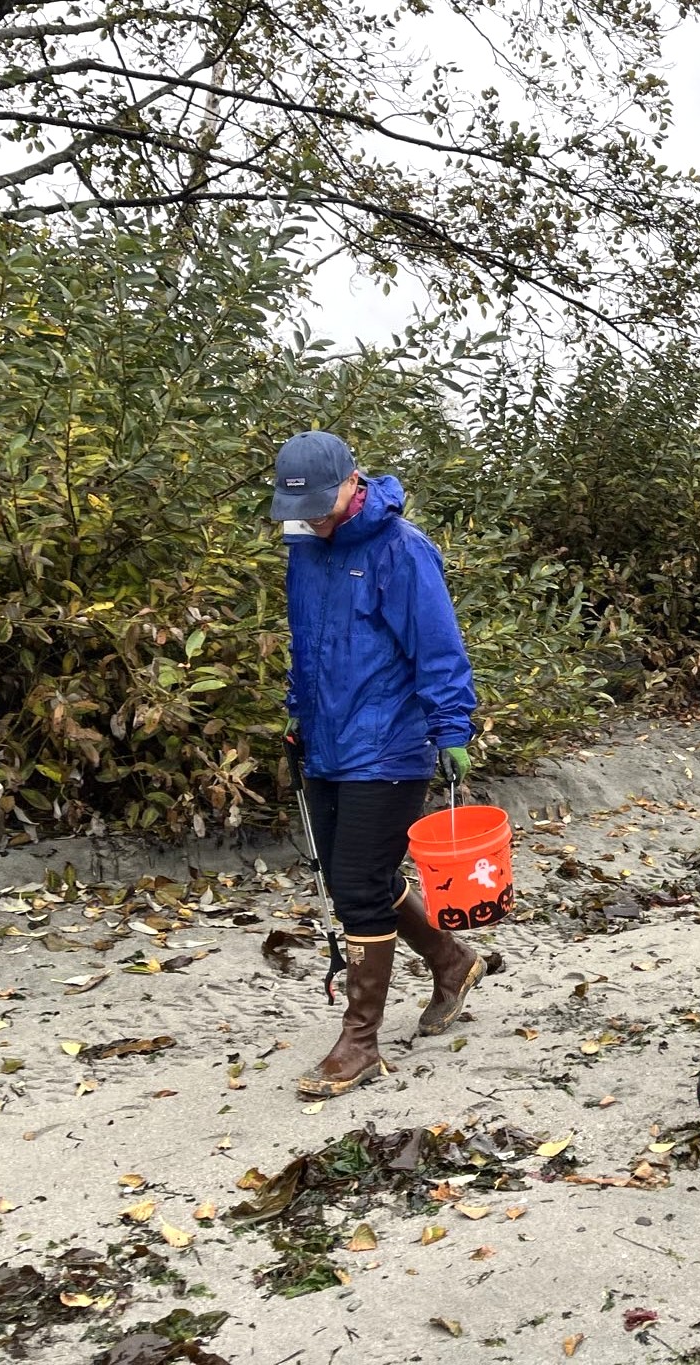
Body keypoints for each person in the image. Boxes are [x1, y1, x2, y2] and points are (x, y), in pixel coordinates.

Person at [273, 430, 486, 1099]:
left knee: (360, 883)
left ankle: (360, 1041)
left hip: (392, 742)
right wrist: (296, 708)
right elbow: (306, 642)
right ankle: (452, 961)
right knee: (350, 880)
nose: (308, 515)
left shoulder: (403, 550)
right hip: (327, 739)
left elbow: (438, 646)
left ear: (352, 481)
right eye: (296, 504)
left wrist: (453, 728)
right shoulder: (305, 548)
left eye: (318, 502)